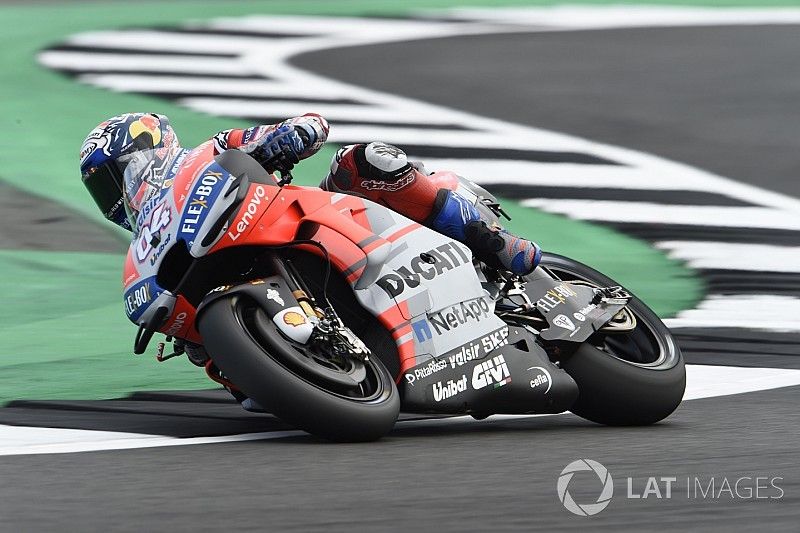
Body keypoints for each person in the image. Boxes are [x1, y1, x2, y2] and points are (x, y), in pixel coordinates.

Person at [80, 112, 540, 275]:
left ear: (147, 153)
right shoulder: (148, 248)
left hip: (305, 217)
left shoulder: (212, 150)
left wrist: (290, 136)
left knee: (365, 160)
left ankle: (491, 242)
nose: (116, 197)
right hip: (247, 259)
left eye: (114, 178)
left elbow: (313, 124)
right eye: (103, 191)